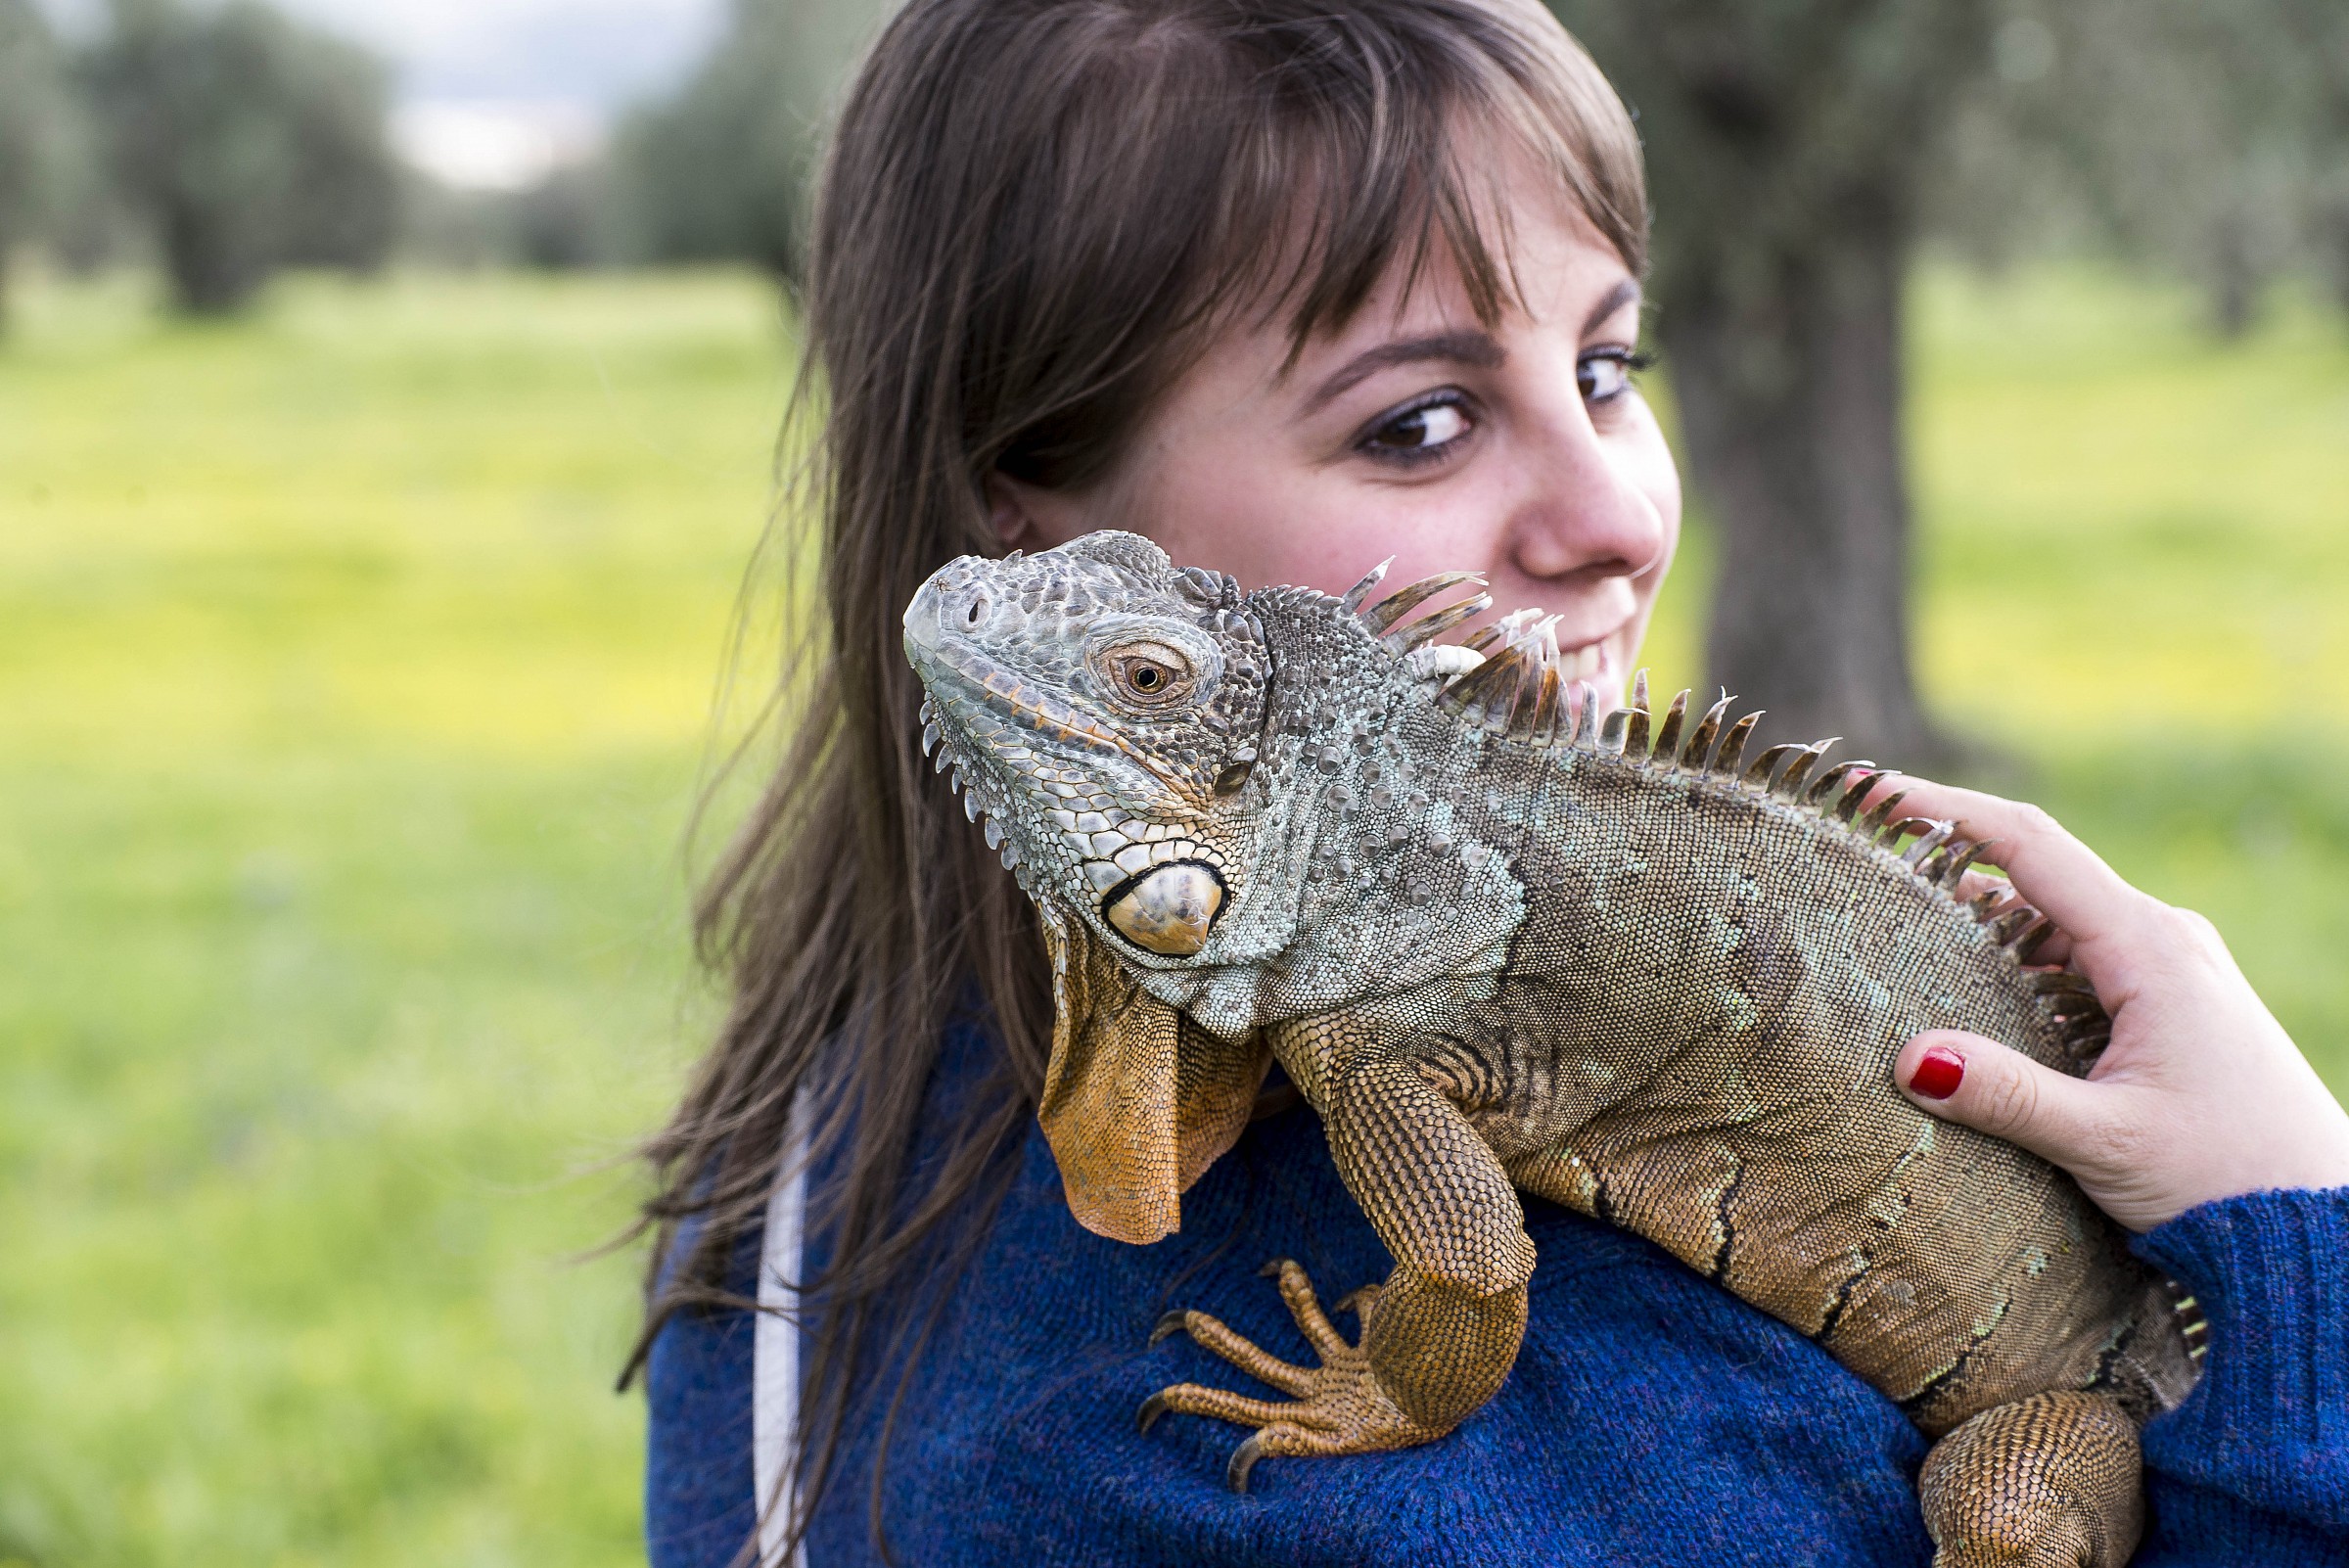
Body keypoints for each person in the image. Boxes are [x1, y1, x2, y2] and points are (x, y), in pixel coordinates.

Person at [631, 2, 2349, 1563]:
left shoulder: (785, 1175)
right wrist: (2307, 1261)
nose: (1614, 515)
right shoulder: (1567, 1435)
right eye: (1416, 424)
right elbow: (1463, 1274)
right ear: (1036, 507)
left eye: (1610, 370)